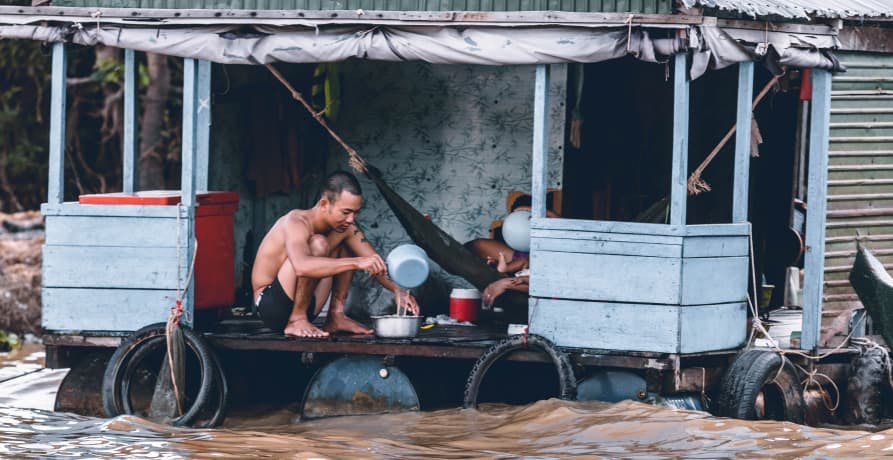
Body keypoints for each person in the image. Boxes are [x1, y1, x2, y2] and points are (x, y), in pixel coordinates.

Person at [251, 171, 419, 338]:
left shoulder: (345, 228)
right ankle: (297, 318)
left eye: (356, 212)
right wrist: (355, 263)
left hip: (308, 304)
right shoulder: (295, 221)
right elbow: (302, 267)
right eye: (346, 212)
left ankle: (336, 316)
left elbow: (374, 262)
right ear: (324, 204)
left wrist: (398, 291)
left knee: (345, 243)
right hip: (271, 306)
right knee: (318, 244)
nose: (351, 219)